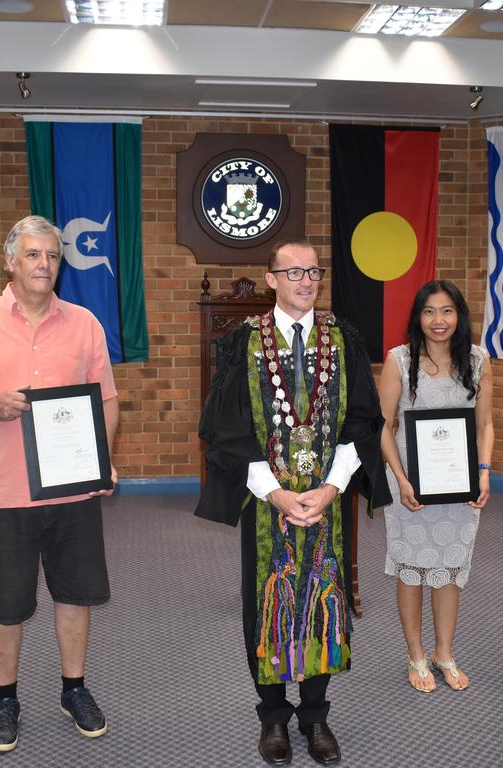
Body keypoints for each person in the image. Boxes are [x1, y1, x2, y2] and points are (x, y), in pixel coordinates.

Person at [0, 215, 118, 753]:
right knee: (6, 603)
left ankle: (74, 689)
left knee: (76, 595)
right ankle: (5, 698)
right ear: (11, 261)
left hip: (73, 491)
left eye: (54, 256)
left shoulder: (85, 323)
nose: (45, 265)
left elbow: (106, 399)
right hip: (3, 492)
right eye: (34, 255)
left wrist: (102, 458)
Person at [196, 239, 384, 766]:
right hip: (265, 502)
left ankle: (317, 715)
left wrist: (331, 487)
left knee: (325, 600)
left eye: (314, 271)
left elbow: (362, 422)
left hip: (327, 500)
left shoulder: (343, 340)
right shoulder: (243, 343)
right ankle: (274, 717)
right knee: (268, 602)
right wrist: (275, 492)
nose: (306, 280)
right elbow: (227, 430)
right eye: (294, 271)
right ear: (272, 278)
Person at [377, 280, 493, 693]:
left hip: (460, 485)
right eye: (429, 311)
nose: (438, 320)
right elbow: (382, 426)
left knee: (450, 568)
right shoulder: (399, 360)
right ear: (418, 317)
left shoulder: (477, 360)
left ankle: (444, 653)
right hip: (410, 484)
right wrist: (402, 480)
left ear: (458, 315)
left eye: (446, 311)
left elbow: (484, 423)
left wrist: (483, 471)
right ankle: (416, 655)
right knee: (411, 568)